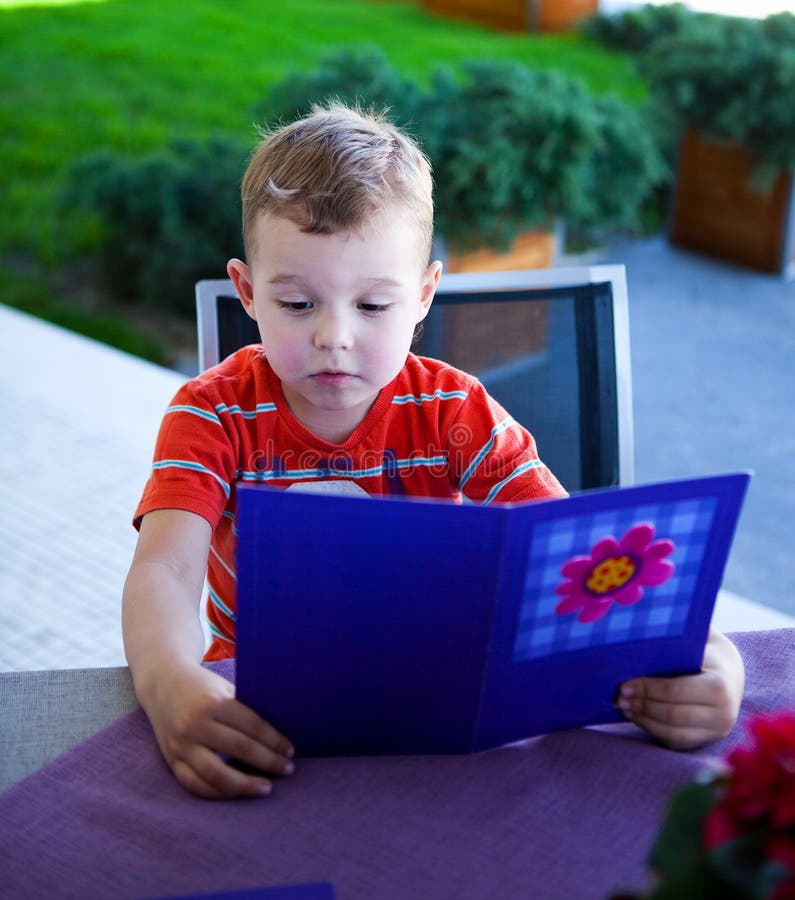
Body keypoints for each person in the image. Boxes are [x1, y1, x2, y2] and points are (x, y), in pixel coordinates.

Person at [122, 103, 745, 800]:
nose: (335, 337)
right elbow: (166, 570)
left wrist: (712, 656)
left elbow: (575, 553)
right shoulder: (212, 411)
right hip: (260, 703)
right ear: (246, 291)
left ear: (422, 297)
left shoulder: (455, 411)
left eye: (373, 306)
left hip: (434, 700)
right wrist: (169, 682)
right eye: (298, 304)